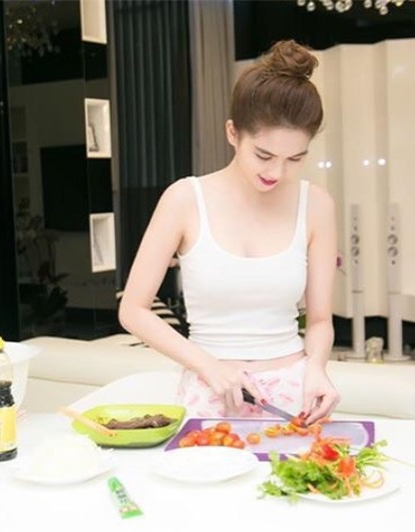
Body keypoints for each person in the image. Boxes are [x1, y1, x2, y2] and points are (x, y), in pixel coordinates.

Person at [118, 39, 340, 425]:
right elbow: (133, 310)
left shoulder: (317, 205)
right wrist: (208, 366)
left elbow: (319, 319)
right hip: (210, 388)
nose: (276, 172)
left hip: (293, 392)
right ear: (232, 132)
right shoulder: (185, 199)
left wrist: (317, 368)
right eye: (264, 155)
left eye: (295, 159)